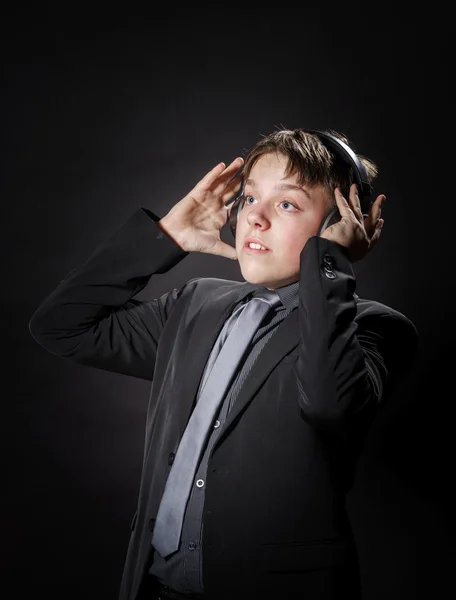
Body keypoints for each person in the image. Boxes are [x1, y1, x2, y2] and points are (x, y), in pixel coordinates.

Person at [29, 128, 419, 600]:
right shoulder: (197, 304)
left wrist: (331, 262)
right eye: (250, 196)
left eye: (287, 204)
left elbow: (329, 404)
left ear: (342, 222)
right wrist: (166, 237)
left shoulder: (377, 329)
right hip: (154, 587)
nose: (254, 216)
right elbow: (60, 326)